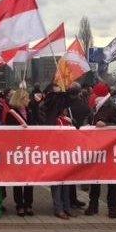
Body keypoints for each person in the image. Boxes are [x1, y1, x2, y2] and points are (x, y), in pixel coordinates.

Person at [84, 82, 116, 218]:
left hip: (110, 150)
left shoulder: (113, 107)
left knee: (112, 181)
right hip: (97, 149)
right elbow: (90, 121)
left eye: (94, 94)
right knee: (94, 178)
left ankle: (112, 208)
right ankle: (93, 205)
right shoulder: (96, 107)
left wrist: (106, 125)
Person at [42, 91, 75, 219]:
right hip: (55, 154)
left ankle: (66, 207)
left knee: (66, 183)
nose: (67, 110)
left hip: (66, 154)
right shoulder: (53, 120)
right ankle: (58, 208)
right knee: (56, 183)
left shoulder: (66, 120)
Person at [5, 88, 34, 216]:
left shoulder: (30, 111)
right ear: (21, 99)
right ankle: (19, 205)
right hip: (17, 150)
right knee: (18, 179)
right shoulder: (11, 113)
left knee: (30, 179)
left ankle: (28, 204)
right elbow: (6, 131)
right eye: (27, 98)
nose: (29, 100)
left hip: (30, 149)